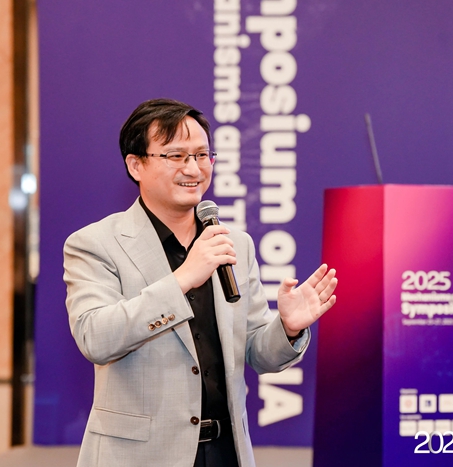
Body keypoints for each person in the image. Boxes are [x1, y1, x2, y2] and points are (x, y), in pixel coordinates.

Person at [63, 98, 338, 467]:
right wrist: (181, 279)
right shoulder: (95, 244)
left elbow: (259, 354)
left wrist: (287, 328)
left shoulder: (235, 243)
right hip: (140, 456)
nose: (193, 168)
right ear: (135, 164)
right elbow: (96, 338)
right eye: (176, 156)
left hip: (225, 451)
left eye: (202, 155)